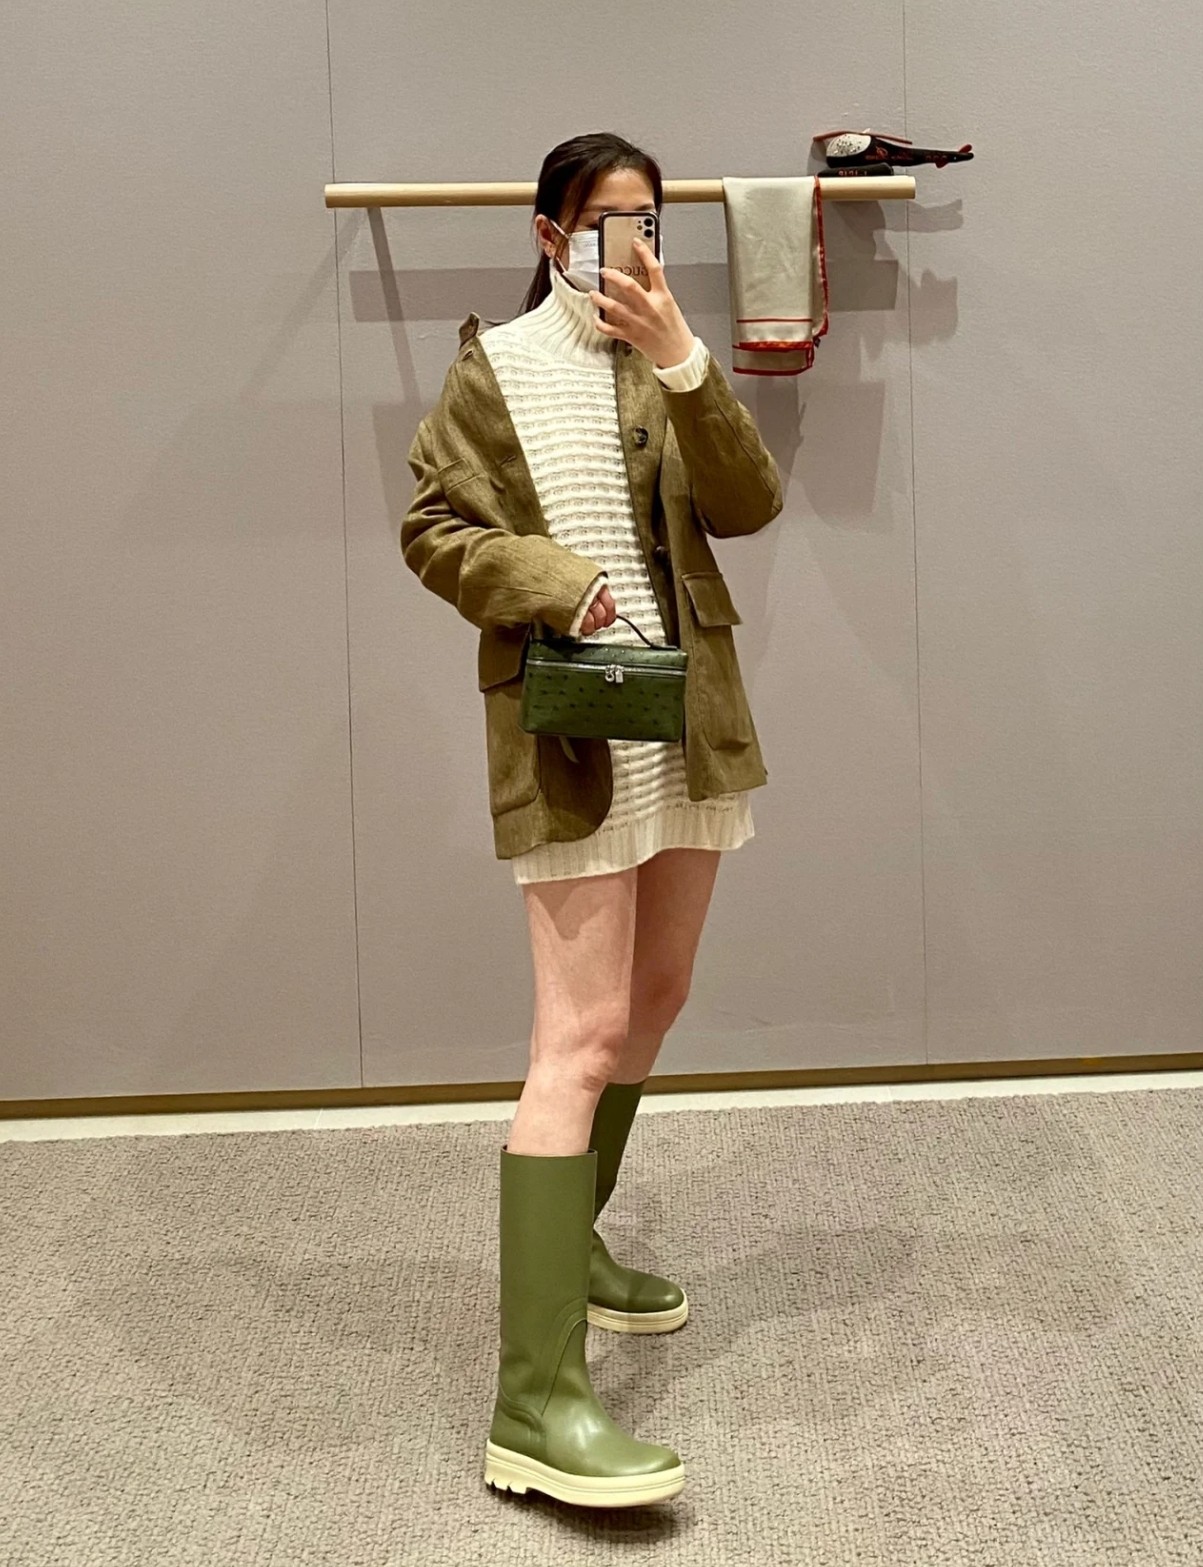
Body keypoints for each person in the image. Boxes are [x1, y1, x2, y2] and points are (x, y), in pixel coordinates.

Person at [401, 132, 782, 1509]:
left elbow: (750, 502)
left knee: (658, 998)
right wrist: (552, 580)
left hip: (685, 722)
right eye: (612, 220)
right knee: (577, 1036)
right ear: (552, 232)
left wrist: (686, 362)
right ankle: (536, 1404)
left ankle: (583, 1248)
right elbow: (434, 528)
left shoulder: (670, 360)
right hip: (568, 731)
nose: (637, 244)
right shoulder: (494, 368)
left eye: (653, 223)